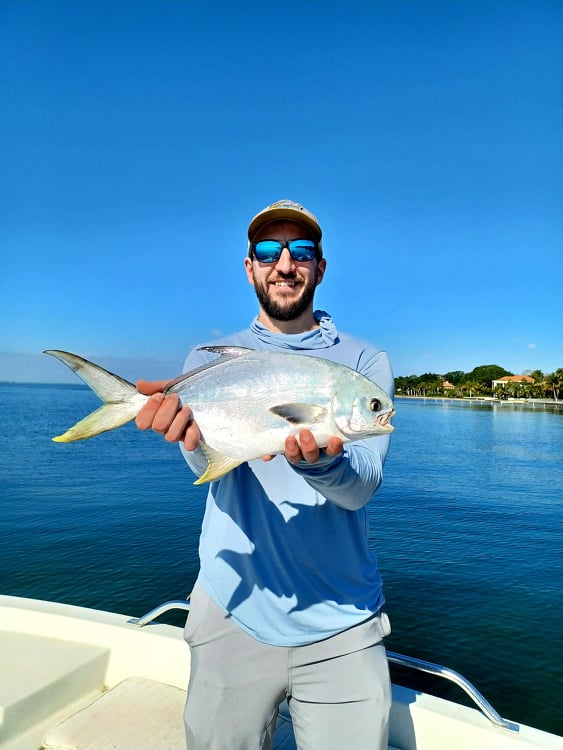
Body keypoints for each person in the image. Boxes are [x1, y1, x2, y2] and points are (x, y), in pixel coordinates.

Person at [135, 199, 395, 750]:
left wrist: (324, 462)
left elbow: (363, 483)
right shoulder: (207, 357)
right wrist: (188, 436)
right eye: (268, 251)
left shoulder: (364, 363)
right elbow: (210, 462)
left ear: (319, 268)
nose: (285, 264)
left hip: (343, 620)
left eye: (300, 252)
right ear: (250, 265)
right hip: (233, 603)